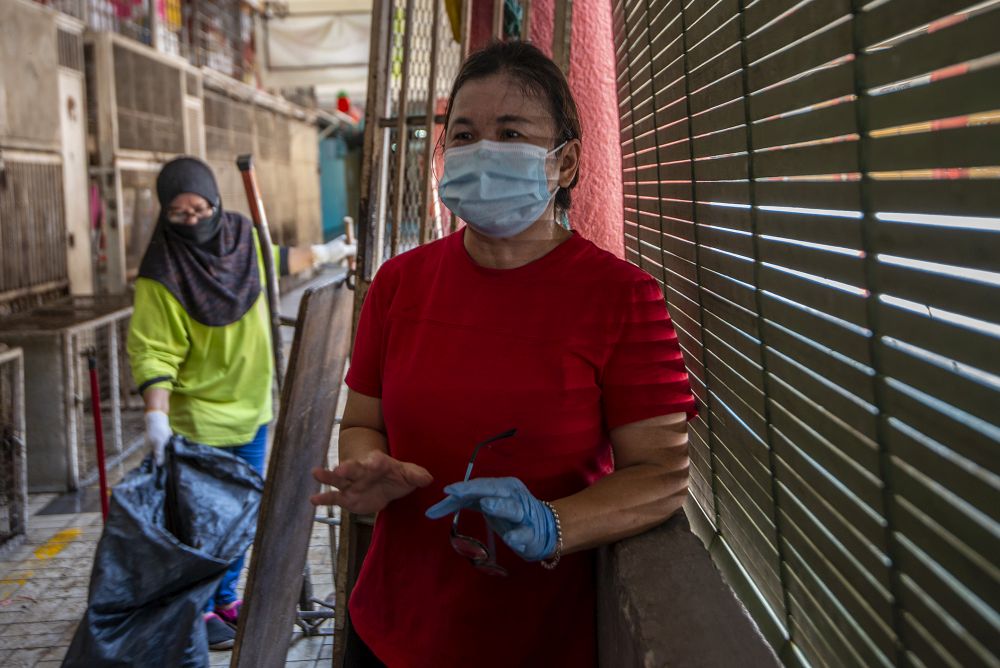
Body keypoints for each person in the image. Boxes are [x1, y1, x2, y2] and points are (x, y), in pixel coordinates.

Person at [310, 41, 696, 667]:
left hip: (534, 642)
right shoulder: (399, 284)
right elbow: (361, 423)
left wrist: (552, 524)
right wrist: (366, 467)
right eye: (464, 135)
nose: (482, 150)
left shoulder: (623, 298)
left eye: (510, 133)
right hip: (389, 629)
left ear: (565, 162)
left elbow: (662, 475)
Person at [127, 156, 354, 651]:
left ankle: (226, 598)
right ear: (164, 213)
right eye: (179, 214)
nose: (192, 221)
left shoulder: (241, 238)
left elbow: (278, 261)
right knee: (204, 524)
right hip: (197, 420)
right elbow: (153, 350)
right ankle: (199, 609)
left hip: (252, 413)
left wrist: (326, 252)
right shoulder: (161, 273)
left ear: (216, 201)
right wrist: (156, 414)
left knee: (243, 516)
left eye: (200, 209)